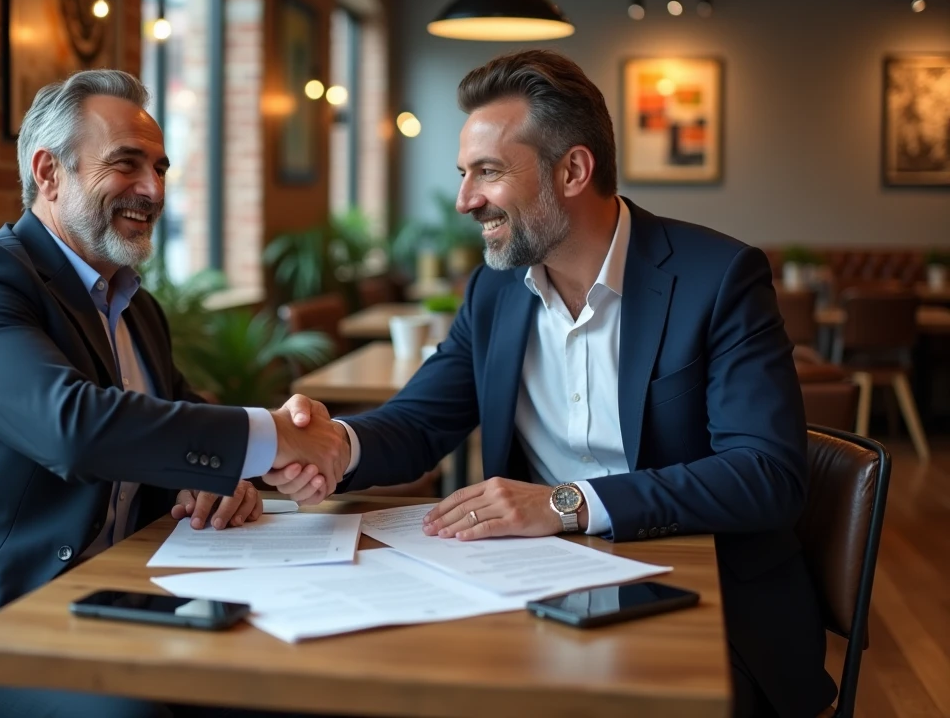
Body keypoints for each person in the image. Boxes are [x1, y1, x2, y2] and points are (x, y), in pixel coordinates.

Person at [268, 49, 836, 718]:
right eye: (463, 174)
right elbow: (421, 422)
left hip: (711, 610)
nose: (464, 200)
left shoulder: (719, 278)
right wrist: (336, 444)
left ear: (572, 169)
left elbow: (766, 475)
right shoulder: (493, 291)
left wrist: (566, 503)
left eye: (488, 172)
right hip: (534, 594)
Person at [0, 70, 347, 718]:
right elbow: (74, 428)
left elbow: (184, 424)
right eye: (126, 165)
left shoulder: (136, 306)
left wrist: (240, 465)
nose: (152, 190)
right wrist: (270, 438)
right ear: (48, 173)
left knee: (286, 674)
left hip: (102, 598)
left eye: (159, 167)